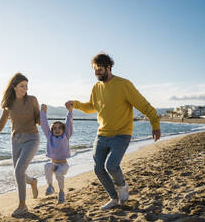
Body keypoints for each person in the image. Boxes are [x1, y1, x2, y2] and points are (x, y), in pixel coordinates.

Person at [66, 52, 161, 210]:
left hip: (121, 135)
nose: (97, 73)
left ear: (108, 67)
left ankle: (122, 186)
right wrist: (75, 104)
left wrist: (155, 124)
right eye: (95, 70)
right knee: (98, 168)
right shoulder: (96, 87)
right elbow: (92, 107)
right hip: (102, 134)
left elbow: (143, 105)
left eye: (100, 69)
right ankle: (114, 198)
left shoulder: (124, 84)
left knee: (112, 166)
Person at [0, 72, 40, 216]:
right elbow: (0, 125)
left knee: (19, 171)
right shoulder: (8, 105)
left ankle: (22, 206)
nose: (26, 89)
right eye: (22, 86)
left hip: (32, 138)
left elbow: (38, 118)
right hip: (16, 141)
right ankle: (32, 182)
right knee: (18, 172)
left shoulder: (32, 100)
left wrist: (44, 118)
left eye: (26, 86)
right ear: (14, 87)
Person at [40, 103, 73, 204]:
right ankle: (50, 186)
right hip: (54, 164)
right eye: (54, 128)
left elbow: (68, 124)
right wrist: (43, 112)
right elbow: (44, 124)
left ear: (63, 130)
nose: (57, 130)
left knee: (59, 174)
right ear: (52, 130)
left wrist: (70, 112)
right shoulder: (49, 136)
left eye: (59, 128)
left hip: (63, 165)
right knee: (47, 166)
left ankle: (61, 193)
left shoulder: (66, 136)